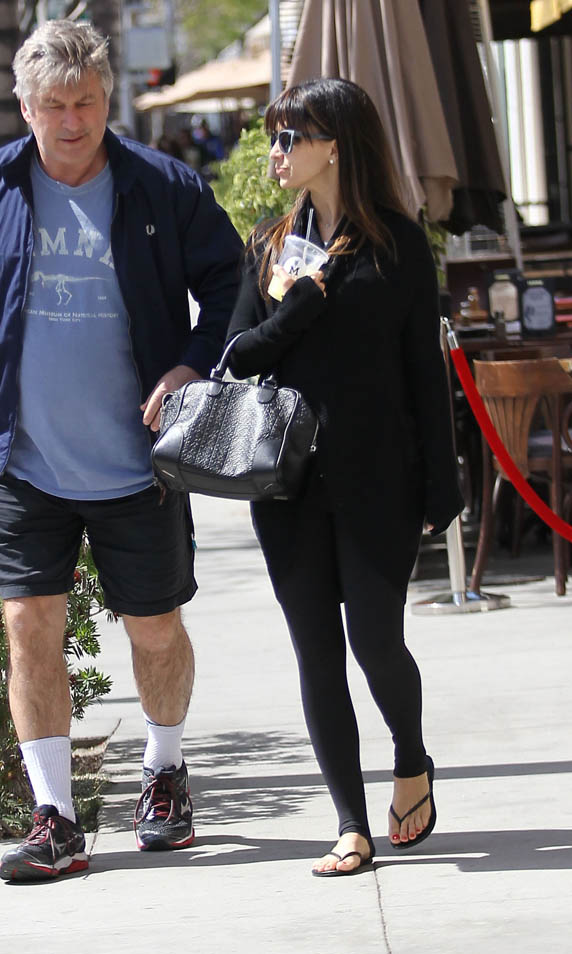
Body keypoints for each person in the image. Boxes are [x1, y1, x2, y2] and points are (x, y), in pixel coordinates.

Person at [0, 19, 242, 882]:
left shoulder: (162, 186)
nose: (71, 121)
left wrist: (191, 365)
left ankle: (164, 770)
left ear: (107, 99)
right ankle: (54, 815)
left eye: (86, 102)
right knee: (30, 627)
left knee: (156, 629)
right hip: (22, 460)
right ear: (24, 107)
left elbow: (230, 281)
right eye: (53, 105)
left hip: (140, 461)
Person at [226, 78, 464, 877]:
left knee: (375, 639)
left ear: (335, 146)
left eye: (290, 136)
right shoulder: (269, 245)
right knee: (317, 653)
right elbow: (238, 355)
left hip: (378, 478)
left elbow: (424, 373)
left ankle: (411, 758)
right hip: (287, 484)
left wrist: (442, 483)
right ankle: (351, 825)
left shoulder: (397, 247)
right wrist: (297, 309)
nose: (277, 152)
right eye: (276, 136)